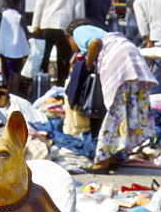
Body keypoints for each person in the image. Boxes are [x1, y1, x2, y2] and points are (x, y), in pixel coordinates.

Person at [66, 18, 156, 172]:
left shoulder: (79, 31)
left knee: (114, 114)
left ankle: (102, 162)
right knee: (125, 112)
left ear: (70, 36)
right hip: (130, 56)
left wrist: (88, 65)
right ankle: (113, 156)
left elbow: (94, 43)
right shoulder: (105, 34)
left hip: (119, 60)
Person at [29, 0, 83, 87]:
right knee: (63, 61)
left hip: (46, 23)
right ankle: (60, 87)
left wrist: (35, 26)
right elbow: (79, 9)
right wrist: (79, 27)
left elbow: (40, 4)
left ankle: (41, 86)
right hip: (64, 25)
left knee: (43, 58)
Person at [0, 0, 29, 94]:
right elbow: (27, 32)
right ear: (19, 4)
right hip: (17, 50)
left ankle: (8, 92)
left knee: (7, 72)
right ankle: (15, 93)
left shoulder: (3, 14)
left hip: (5, 50)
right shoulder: (20, 17)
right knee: (16, 73)